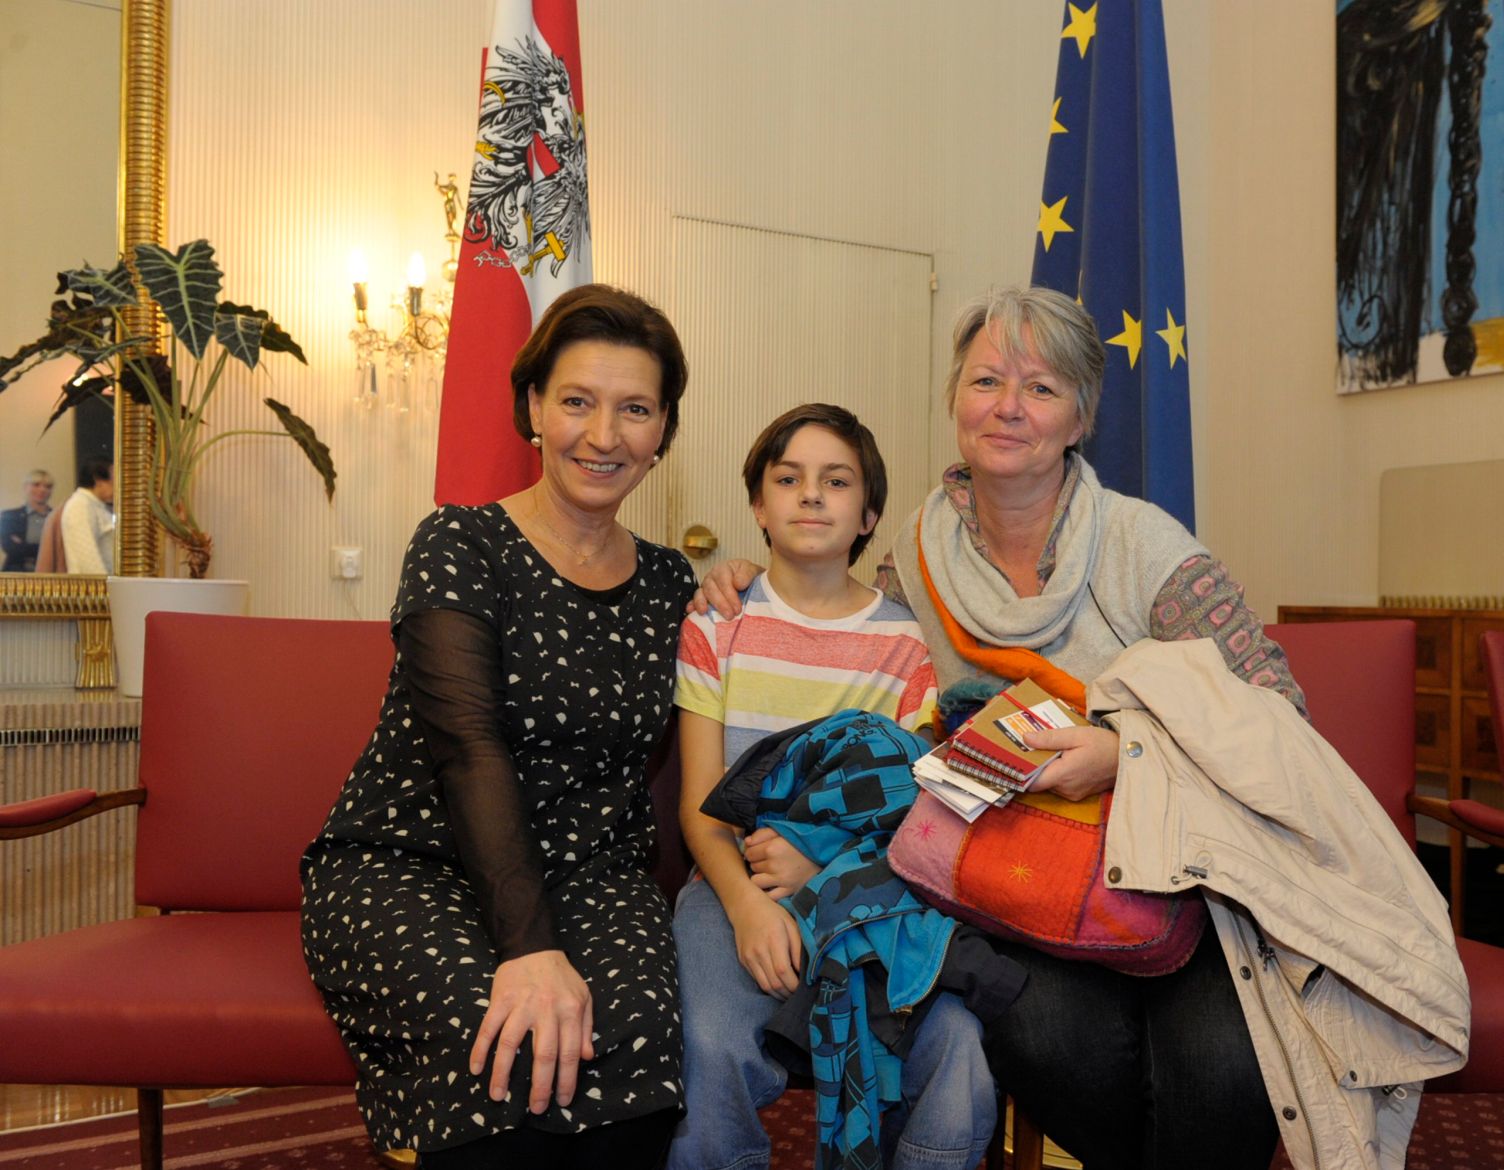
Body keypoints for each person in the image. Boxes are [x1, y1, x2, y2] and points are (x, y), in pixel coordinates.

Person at [697, 287, 1310, 1169]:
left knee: (1224, 1077)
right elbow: (848, 638)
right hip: (1014, 883)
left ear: (1083, 417)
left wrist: (1123, 753)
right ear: (955, 401)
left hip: (1190, 882)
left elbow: (1279, 715)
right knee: (1058, 1047)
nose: (1009, 407)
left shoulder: (1151, 551)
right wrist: (752, 579)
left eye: (1043, 387)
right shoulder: (912, 555)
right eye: (987, 380)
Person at [302, 285, 695, 1169]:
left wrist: (757, 576)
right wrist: (529, 950)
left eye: (635, 409)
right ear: (532, 408)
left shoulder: (678, 587)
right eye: (577, 402)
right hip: (414, 862)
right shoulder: (460, 544)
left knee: (635, 1049)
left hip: (593, 871)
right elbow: (468, 748)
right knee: (497, 1046)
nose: (604, 435)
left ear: (664, 430)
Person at [667, 404, 1004, 1170]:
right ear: (759, 504)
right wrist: (751, 905)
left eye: (836, 481)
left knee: (959, 1049)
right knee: (707, 1047)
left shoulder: (905, 644)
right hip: (730, 889)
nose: (811, 495)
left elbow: (913, 808)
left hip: (869, 895)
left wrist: (821, 870)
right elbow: (699, 804)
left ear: (868, 514)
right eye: (789, 479)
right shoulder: (718, 626)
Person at [58, 460, 114, 574]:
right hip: (96, 588)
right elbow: (86, 558)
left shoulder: (96, 506)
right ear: (99, 481)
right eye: (114, 480)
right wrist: (108, 589)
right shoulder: (80, 505)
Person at [1, 469, 55, 571]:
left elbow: (59, 551)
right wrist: (46, 549)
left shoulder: (57, 518)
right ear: (26, 487)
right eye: (36, 484)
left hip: (49, 575)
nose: (42, 490)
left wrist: (23, 545)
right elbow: (9, 548)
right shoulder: (9, 516)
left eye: (48, 486)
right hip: (16, 576)